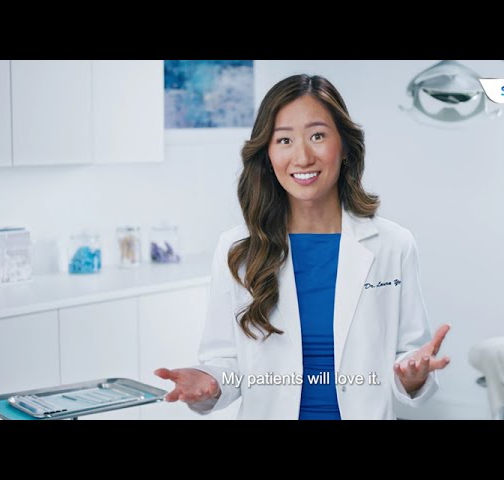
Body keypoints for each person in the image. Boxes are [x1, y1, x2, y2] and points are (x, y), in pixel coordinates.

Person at [155, 74, 451, 420]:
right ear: (267, 155)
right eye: (284, 140)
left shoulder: (393, 244)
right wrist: (209, 381)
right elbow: (226, 363)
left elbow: (410, 356)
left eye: (317, 136)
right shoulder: (237, 249)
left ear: (344, 147)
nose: (303, 156)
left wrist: (413, 376)